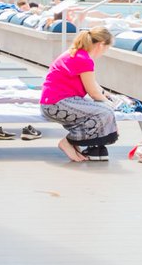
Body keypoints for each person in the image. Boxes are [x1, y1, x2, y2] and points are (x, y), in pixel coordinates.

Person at [39, 27, 118, 163]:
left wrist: (107, 95)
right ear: (101, 45)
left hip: (53, 103)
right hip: (56, 104)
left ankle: (90, 146)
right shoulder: (84, 59)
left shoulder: (76, 54)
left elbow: (94, 85)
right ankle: (68, 141)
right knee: (105, 112)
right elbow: (93, 93)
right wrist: (111, 104)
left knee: (103, 109)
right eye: (107, 48)